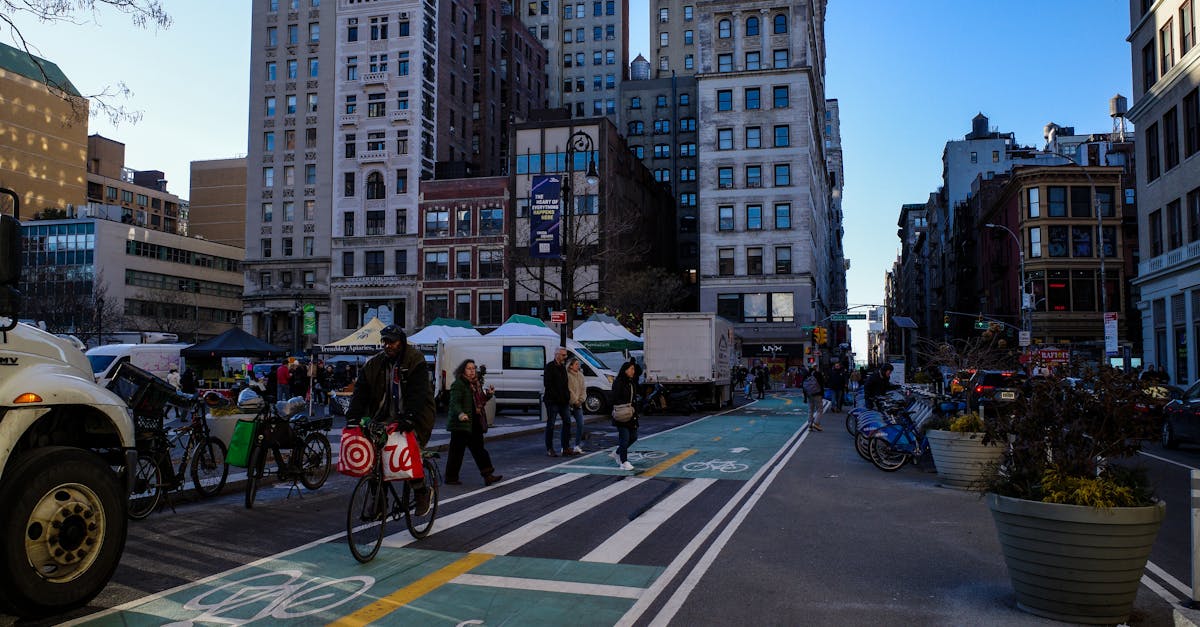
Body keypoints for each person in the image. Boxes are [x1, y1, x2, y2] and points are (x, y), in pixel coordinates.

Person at [346, 324, 437, 515]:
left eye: (392, 342)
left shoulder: (415, 359)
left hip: (415, 416)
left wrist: (410, 417)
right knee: (375, 459)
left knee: (407, 453)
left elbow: (418, 392)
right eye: (385, 341)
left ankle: (421, 492)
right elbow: (361, 391)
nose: (388, 346)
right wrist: (353, 417)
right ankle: (379, 501)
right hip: (382, 417)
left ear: (401, 343)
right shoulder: (374, 364)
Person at [444, 359, 503, 487]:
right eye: (468, 368)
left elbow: (480, 400)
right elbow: (454, 403)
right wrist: (460, 414)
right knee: (456, 452)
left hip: (474, 420)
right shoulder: (458, 384)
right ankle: (451, 477)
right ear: (463, 370)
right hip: (461, 423)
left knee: (479, 449)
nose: (471, 371)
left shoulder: (475, 384)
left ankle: (488, 475)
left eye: (473, 368)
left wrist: (488, 395)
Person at [543, 346, 573, 457]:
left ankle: (565, 447)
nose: (565, 357)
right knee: (551, 424)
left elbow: (565, 383)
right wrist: (557, 396)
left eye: (565, 355)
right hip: (552, 400)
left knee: (567, 422)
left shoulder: (562, 367)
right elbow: (548, 384)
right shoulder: (550, 367)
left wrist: (567, 396)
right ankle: (549, 448)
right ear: (557, 355)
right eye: (563, 355)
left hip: (563, 401)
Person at [610, 360, 640, 470]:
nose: (633, 371)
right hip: (622, 414)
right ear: (625, 370)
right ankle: (624, 462)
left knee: (634, 436)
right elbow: (614, 398)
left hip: (631, 414)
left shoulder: (631, 382)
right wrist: (624, 405)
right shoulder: (618, 382)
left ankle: (618, 452)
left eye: (633, 369)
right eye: (631, 369)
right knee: (625, 438)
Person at [566, 357, 586, 455]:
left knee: (581, 423)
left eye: (579, 364)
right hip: (569, 403)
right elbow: (569, 390)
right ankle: (565, 446)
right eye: (576, 364)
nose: (578, 366)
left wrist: (581, 400)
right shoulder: (567, 376)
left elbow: (583, 389)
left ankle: (577, 445)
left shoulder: (581, 375)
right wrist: (575, 400)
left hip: (578, 404)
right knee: (567, 424)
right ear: (570, 365)